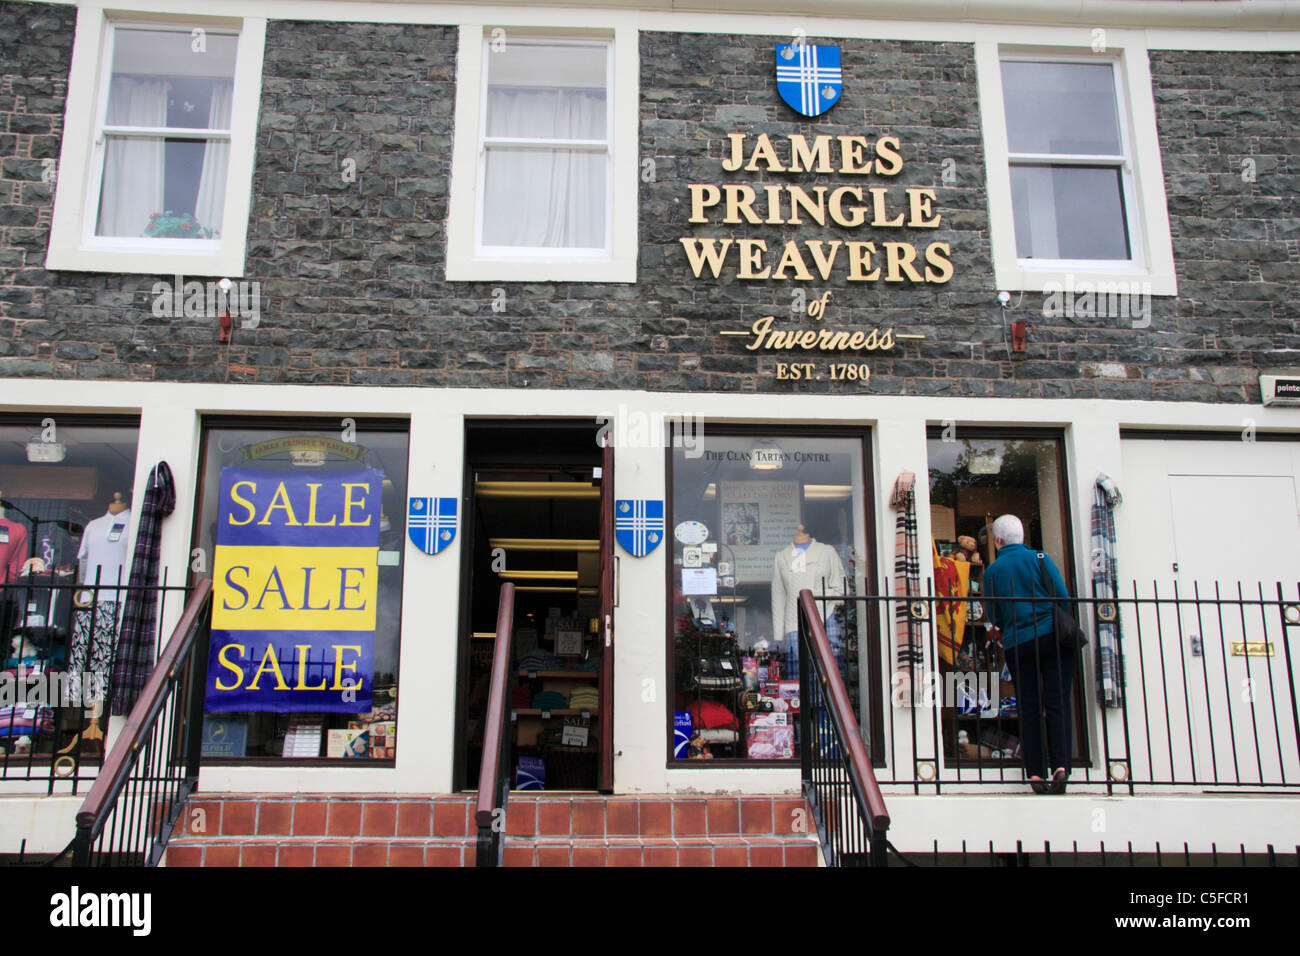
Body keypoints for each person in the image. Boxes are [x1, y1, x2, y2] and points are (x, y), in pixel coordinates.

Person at [981, 514, 1076, 794]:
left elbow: (995, 615)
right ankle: (1060, 766)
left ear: (997, 541)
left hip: (1018, 644)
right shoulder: (1040, 559)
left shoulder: (992, 573)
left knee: (1029, 708)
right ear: (1021, 537)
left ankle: (1035, 773)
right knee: (1057, 702)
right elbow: (1062, 597)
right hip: (1051, 638)